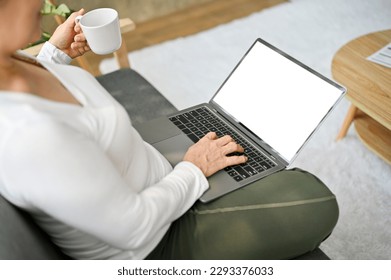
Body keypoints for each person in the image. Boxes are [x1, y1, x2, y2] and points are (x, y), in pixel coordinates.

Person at [0, 0, 338, 260]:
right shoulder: (26, 136)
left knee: (253, 161)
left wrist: (53, 56)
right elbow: (135, 229)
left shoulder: (12, 62)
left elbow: (39, 99)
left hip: (150, 173)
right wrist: (194, 169)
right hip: (154, 247)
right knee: (315, 197)